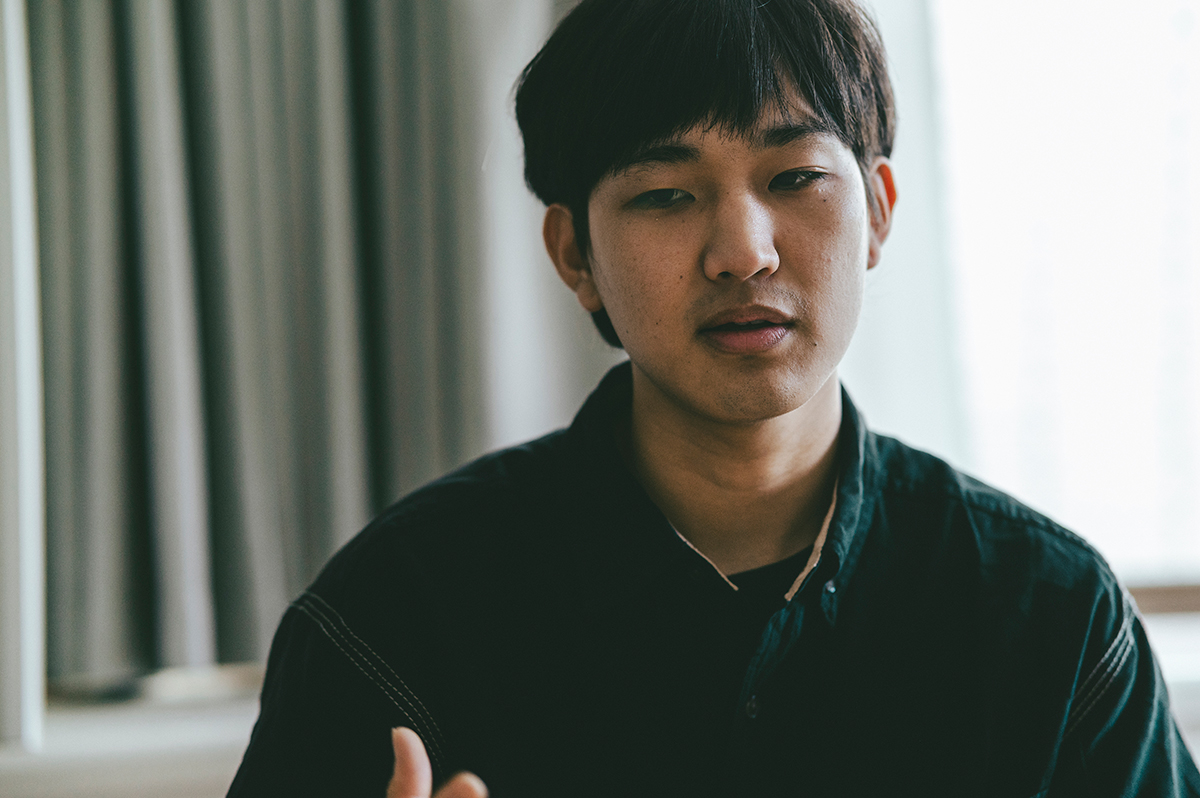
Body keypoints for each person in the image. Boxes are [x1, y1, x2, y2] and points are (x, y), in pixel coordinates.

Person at [227, 1, 1200, 796]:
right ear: (574, 254)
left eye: (796, 177)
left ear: (878, 212)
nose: (743, 251)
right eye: (665, 194)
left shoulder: (1050, 618)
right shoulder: (397, 619)